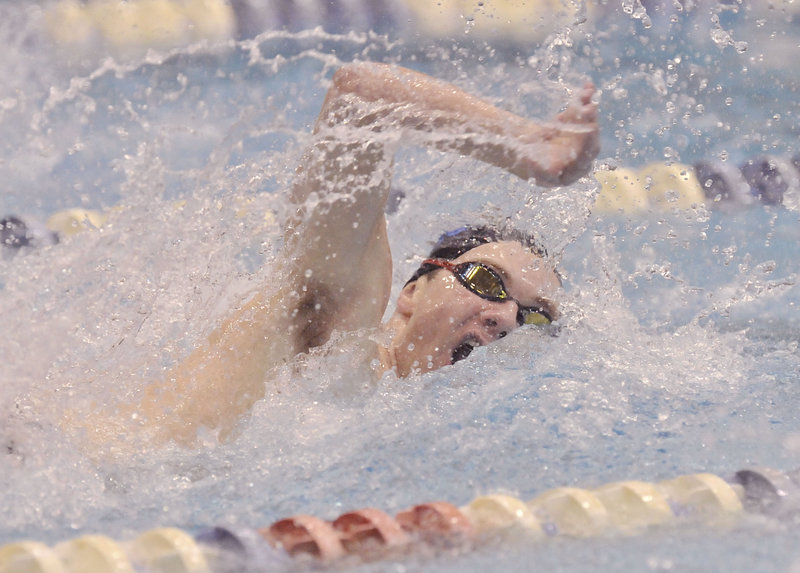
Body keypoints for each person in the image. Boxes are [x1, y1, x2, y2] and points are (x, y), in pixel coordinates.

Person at [72, 62, 599, 449]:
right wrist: (527, 145)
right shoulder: (339, 332)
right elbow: (362, 97)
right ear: (413, 292)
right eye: (487, 281)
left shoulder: (389, 419)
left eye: (533, 317)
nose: (507, 317)